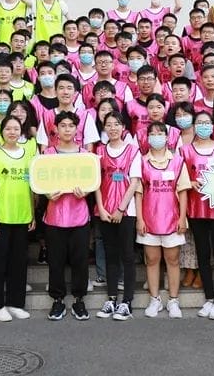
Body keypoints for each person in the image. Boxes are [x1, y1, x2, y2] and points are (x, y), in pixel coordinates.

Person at [0, 116, 37, 323]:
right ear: (2, 132)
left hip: (23, 217)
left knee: (19, 262)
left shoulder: (28, 156)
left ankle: (15, 303)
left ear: (21, 131)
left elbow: (31, 188)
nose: (12, 132)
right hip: (1, 217)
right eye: (8, 129)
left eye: (16, 129)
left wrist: (32, 214)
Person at [181, 111, 214, 320]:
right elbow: (180, 178)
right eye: (199, 122)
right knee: (202, 253)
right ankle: (209, 297)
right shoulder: (185, 150)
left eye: (207, 122)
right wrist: (191, 182)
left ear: (212, 126)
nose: (203, 126)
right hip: (196, 208)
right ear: (194, 126)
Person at [137, 122, 191, 319]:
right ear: (147, 138)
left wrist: (182, 218)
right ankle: (155, 300)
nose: (156, 137)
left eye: (160, 133)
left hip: (172, 219)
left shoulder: (177, 161)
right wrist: (140, 219)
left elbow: (183, 191)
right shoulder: (141, 161)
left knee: (173, 260)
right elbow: (138, 192)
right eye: (152, 134)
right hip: (149, 219)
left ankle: (173, 300)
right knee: (151, 260)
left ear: (167, 138)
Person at [41, 112, 92, 321]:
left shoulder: (85, 155)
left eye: (71, 125)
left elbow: (92, 181)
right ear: (56, 129)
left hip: (79, 215)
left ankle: (79, 300)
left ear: (77, 129)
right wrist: (46, 193)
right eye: (63, 125)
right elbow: (39, 181)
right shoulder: (47, 154)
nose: (67, 129)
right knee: (56, 261)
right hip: (55, 216)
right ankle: (58, 300)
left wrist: (86, 191)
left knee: (80, 260)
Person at [95, 113, 142, 321]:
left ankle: (127, 302)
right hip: (105, 211)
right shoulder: (99, 152)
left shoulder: (133, 151)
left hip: (126, 211)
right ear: (104, 128)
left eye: (117, 124)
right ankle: (112, 298)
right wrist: (101, 208)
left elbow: (134, 182)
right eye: (109, 124)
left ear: (123, 127)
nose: (113, 128)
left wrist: (121, 209)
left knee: (127, 255)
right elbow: (95, 182)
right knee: (111, 255)